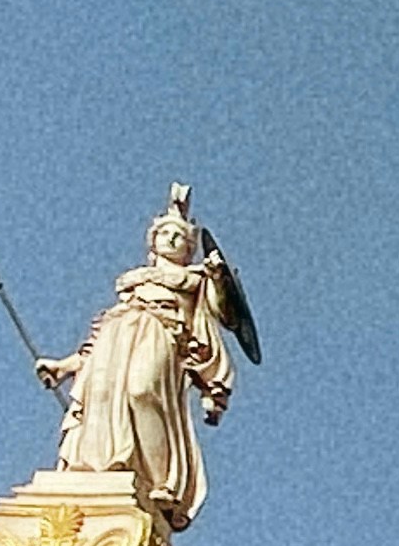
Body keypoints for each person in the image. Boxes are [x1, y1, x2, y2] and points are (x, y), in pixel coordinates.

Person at [41, 186, 250, 528]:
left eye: (179, 237)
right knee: (103, 395)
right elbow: (94, 343)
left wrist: (217, 276)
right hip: (118, 336)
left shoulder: (194, 280)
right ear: (152, 242)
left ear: (189, 249)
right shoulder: (133, 286)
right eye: (165, 233)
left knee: (141, 391)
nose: (171, 239)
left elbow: (224, 312)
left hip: (159, 334)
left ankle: (161, 480)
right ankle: (104, 466)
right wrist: (64, 367)